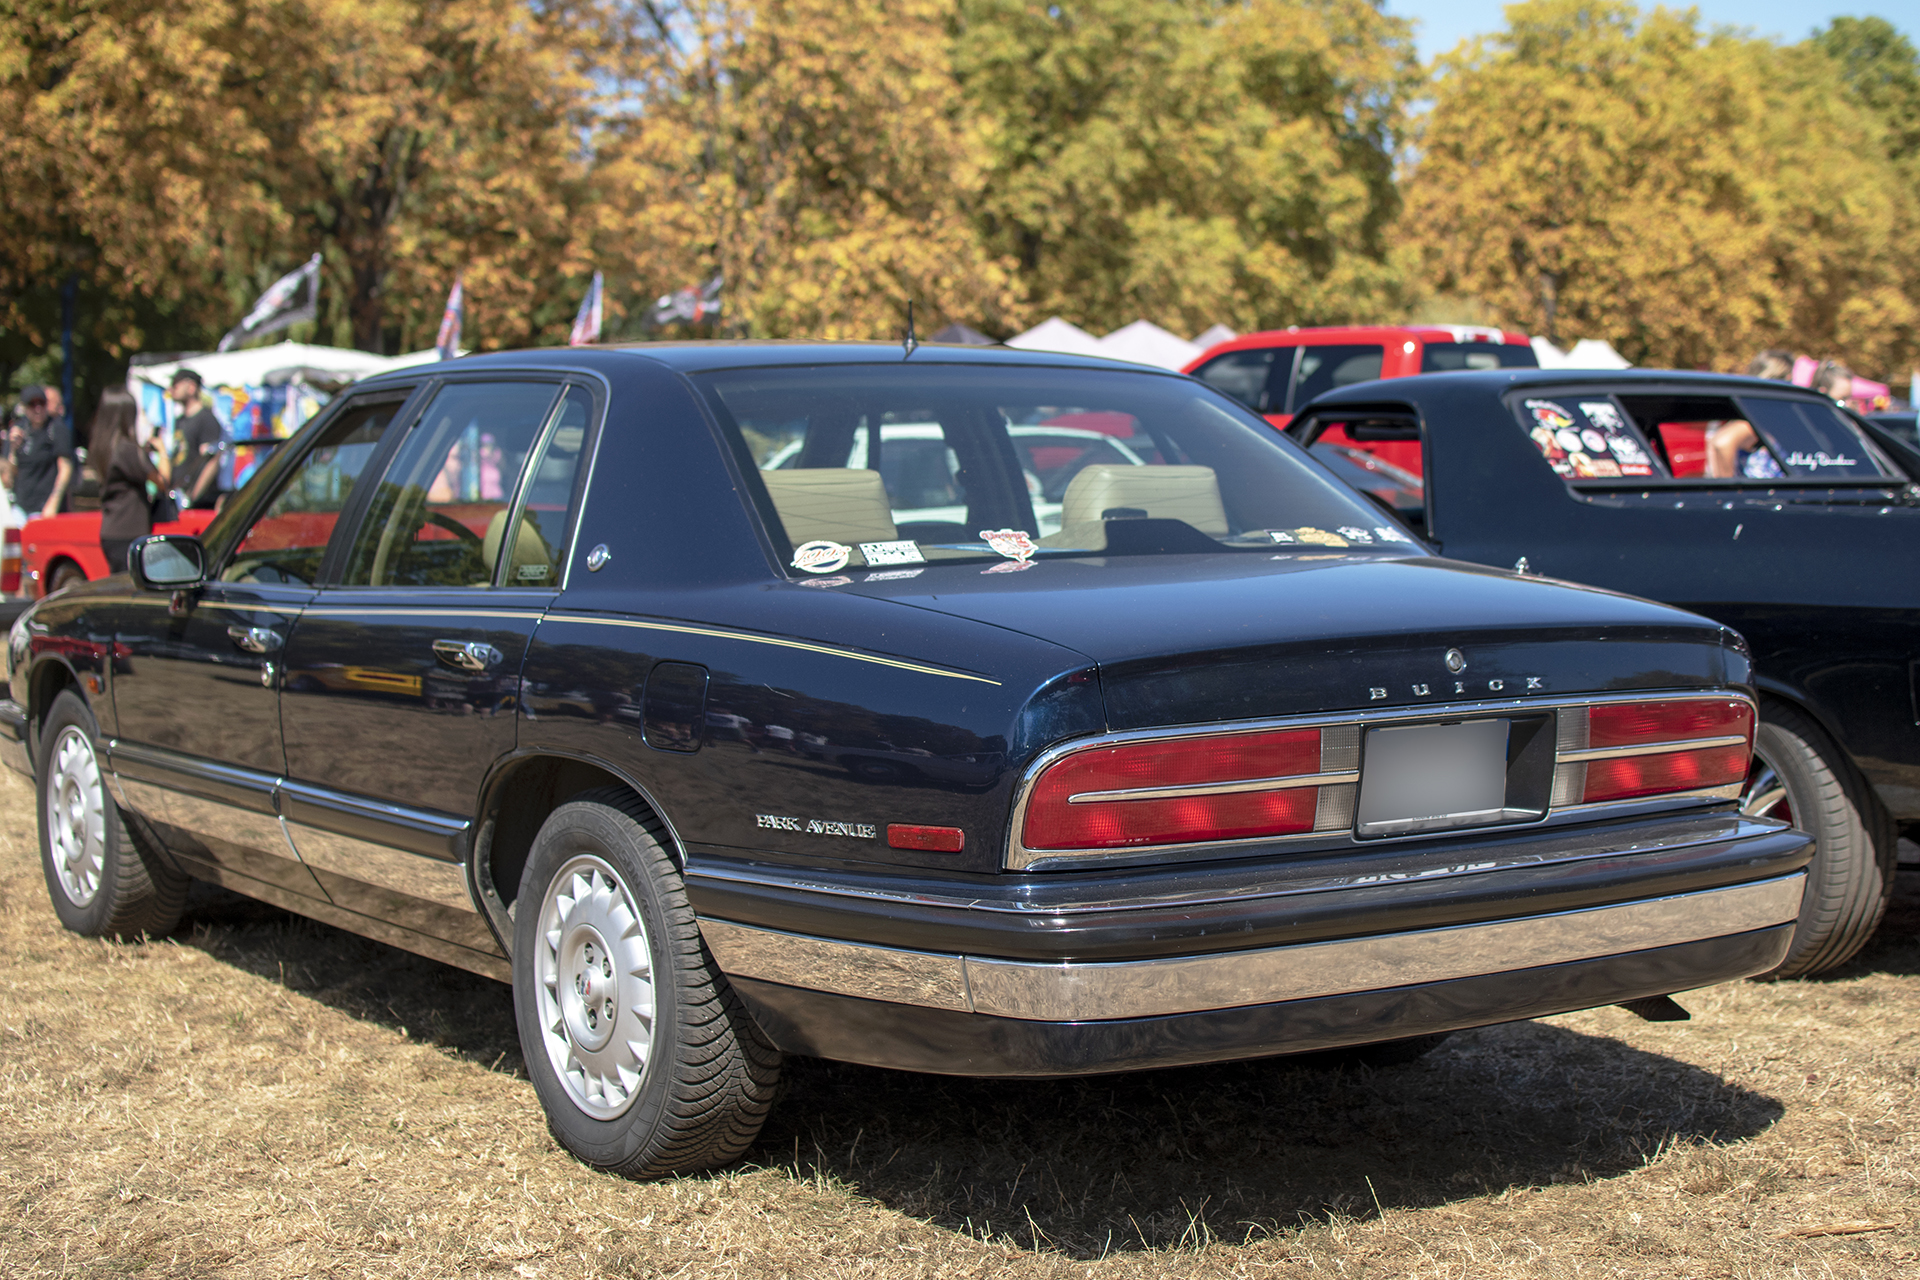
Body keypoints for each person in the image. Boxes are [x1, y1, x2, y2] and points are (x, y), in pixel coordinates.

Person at [90, 386, 170, 573]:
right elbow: (162, 481)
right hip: (130, 532)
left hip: (111, 529)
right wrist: (162, 452)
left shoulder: (101, 446)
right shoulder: (126, 449)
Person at [1706, 349, 1794, 478]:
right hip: (1759, 497)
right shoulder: (1756, 419)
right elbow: (1722, 443)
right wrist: (1731, 492)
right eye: (1789, 381)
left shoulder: (1753, 415)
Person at [2, 384, 77, 517]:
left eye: (41, 403)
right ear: (24, 407)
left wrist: (54, 502)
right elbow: (9, 477)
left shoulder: (56, 428)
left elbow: (65, 468)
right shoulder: (18, 430)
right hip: (20, 507)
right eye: (32, 404)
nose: (37, 409)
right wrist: (13, 449)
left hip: (45, 508)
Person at [166, 369, 224, 510]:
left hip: (198, 503)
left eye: (175, 384)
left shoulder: (206, 419)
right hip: (178, 499)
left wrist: (192, 498)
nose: (171, 389)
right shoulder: (179, 421)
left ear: (191, 387)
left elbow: (212, 460)